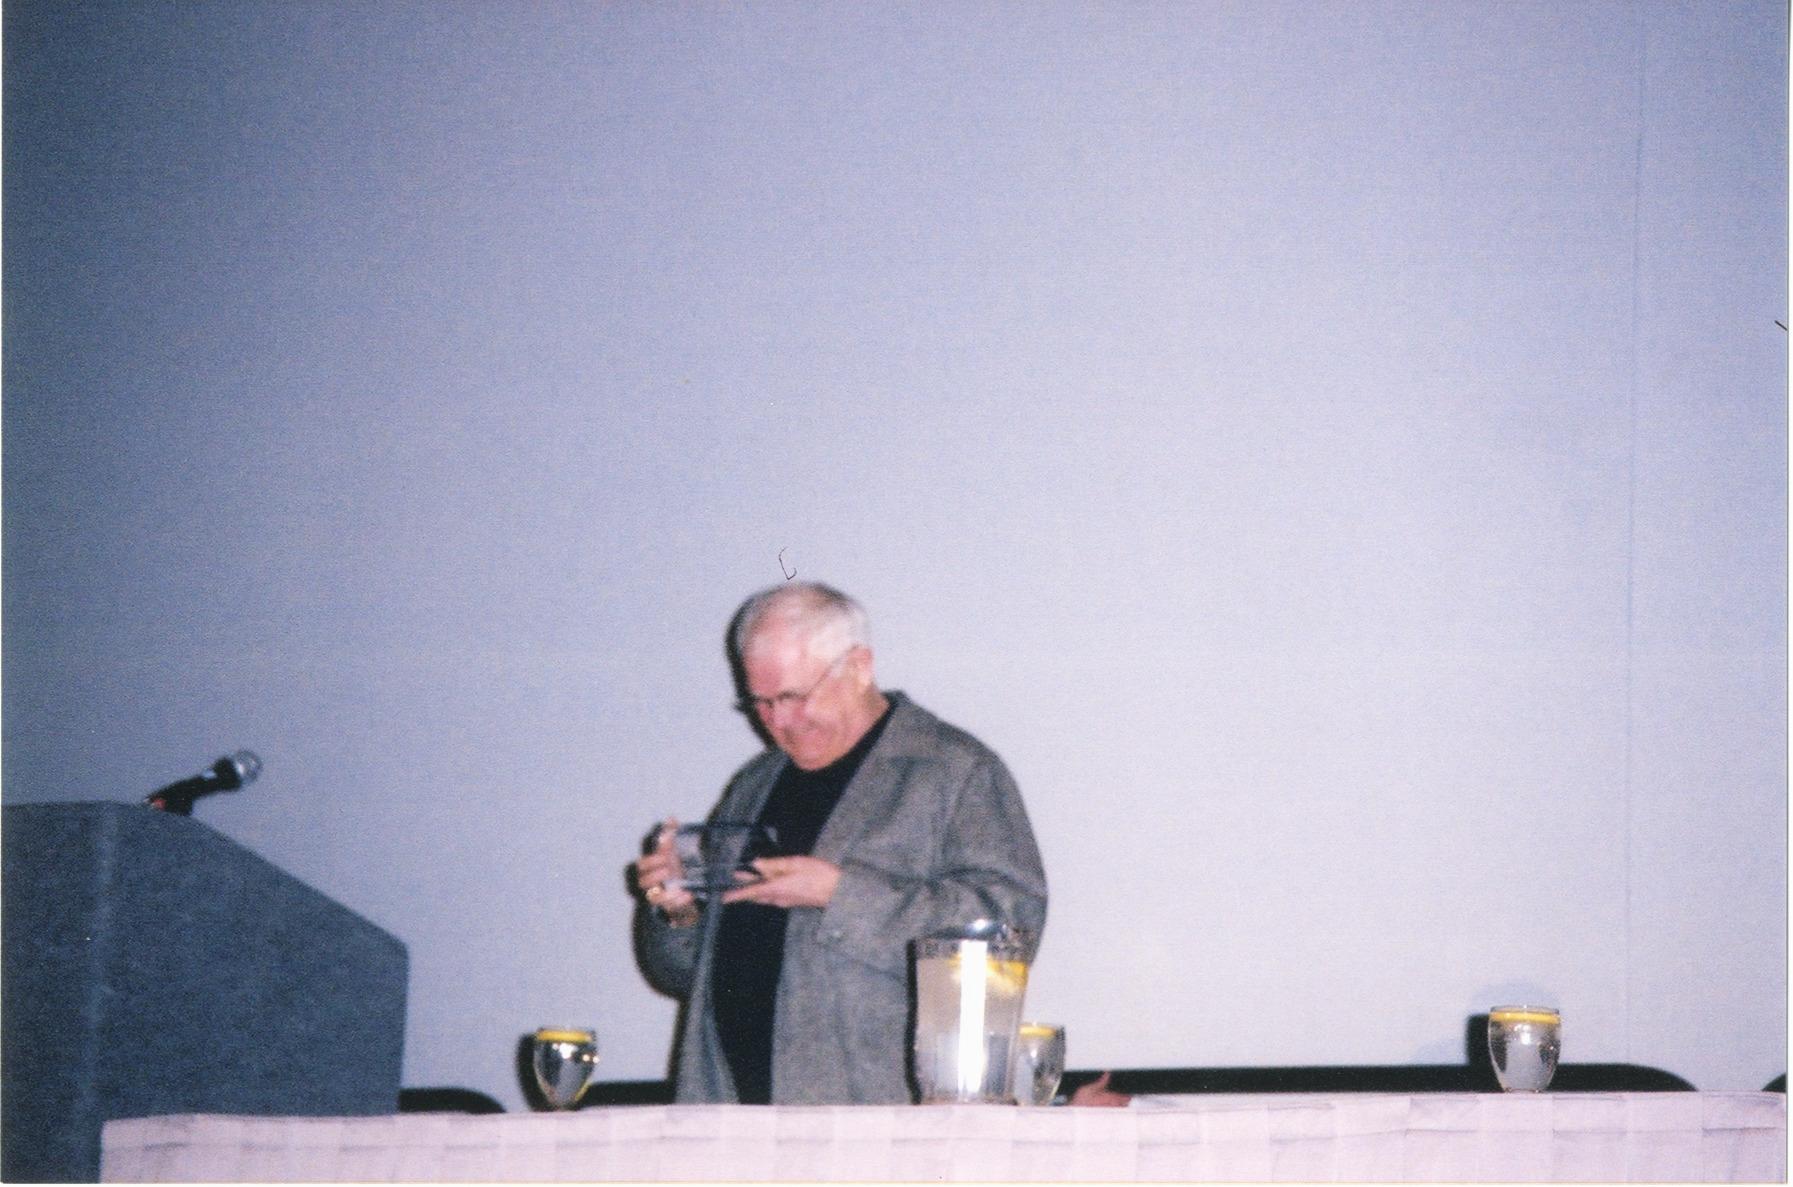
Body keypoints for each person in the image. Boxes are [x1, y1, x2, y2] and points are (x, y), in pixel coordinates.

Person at [632, 581, 1048, 1105]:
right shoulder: (754, 785)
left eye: (794, 696)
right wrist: (678, 911)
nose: (779, 722)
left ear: (859, 667)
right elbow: (687, 976)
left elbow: (1009, 931)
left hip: (878, 1125)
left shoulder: (952, 772)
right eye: (759, 703)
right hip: (729, 1116)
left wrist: (839, 895)